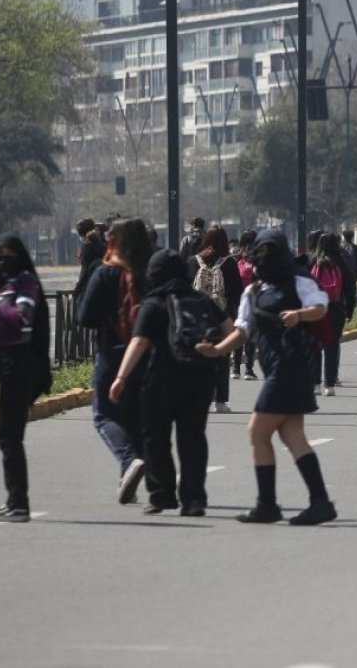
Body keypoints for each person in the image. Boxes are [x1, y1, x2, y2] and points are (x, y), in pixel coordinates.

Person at [193, 230, 336, 525]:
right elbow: (242, 330)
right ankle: (319, 501)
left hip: (290, 367)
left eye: (273, 252)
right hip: (275, 368)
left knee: (257, 431)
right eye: (263, 252)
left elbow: (320, 308)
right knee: (293, 436)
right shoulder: (254, 290)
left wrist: (299, 315)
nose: (267, 259)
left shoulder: (299, 281)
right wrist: (216, 350)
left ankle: (268, 505)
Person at [107, 250, 222, 517]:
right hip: (201, 377)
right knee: (193, 439)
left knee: (156, 438)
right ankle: (194, 500)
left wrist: (121, 377)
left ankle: (161, 495)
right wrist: (216, 352)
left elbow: (139, 342)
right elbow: (229, 329)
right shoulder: (201, 300)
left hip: (161, 378)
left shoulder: (154, 302)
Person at [75, 216, 152, 505]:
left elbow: (85, 317)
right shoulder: (150, 271)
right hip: (146, 353)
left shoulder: (106, 272)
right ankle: (131, 477)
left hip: (112, 352)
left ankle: (128, 460)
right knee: (135, 417)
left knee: (104, 415)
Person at [0, 236, 52, 523]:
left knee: (10, 437)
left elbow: (22, 321)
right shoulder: (6, 283)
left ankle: (18, 504)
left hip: (20, 364)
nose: (1, 261)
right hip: (8, 364)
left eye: (6, 255)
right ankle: (14, 501)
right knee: (8, 436)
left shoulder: (25, 282)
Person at [187, 226, 243, 413]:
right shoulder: (229, 263)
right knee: (221, 357)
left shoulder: (192, 261)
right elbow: (236, 292)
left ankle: (196, 397)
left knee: (196, 357)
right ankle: (220, 400)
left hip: (196, 317)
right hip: (221, 317)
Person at [309, 233, 356, 395]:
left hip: (315, 309)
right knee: (332, 346)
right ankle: (329, 384)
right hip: (336, 309)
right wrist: (350, 310)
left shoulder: (312, 261)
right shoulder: (341, 262)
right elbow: (350, 288)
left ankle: (315, 383)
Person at [233, 230, 259, 381]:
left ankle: (235, 368)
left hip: (238, 301)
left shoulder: (236, 257)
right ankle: (248, 369)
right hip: (253, 300)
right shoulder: (257, 258)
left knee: (239, 332)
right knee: (251, 336)